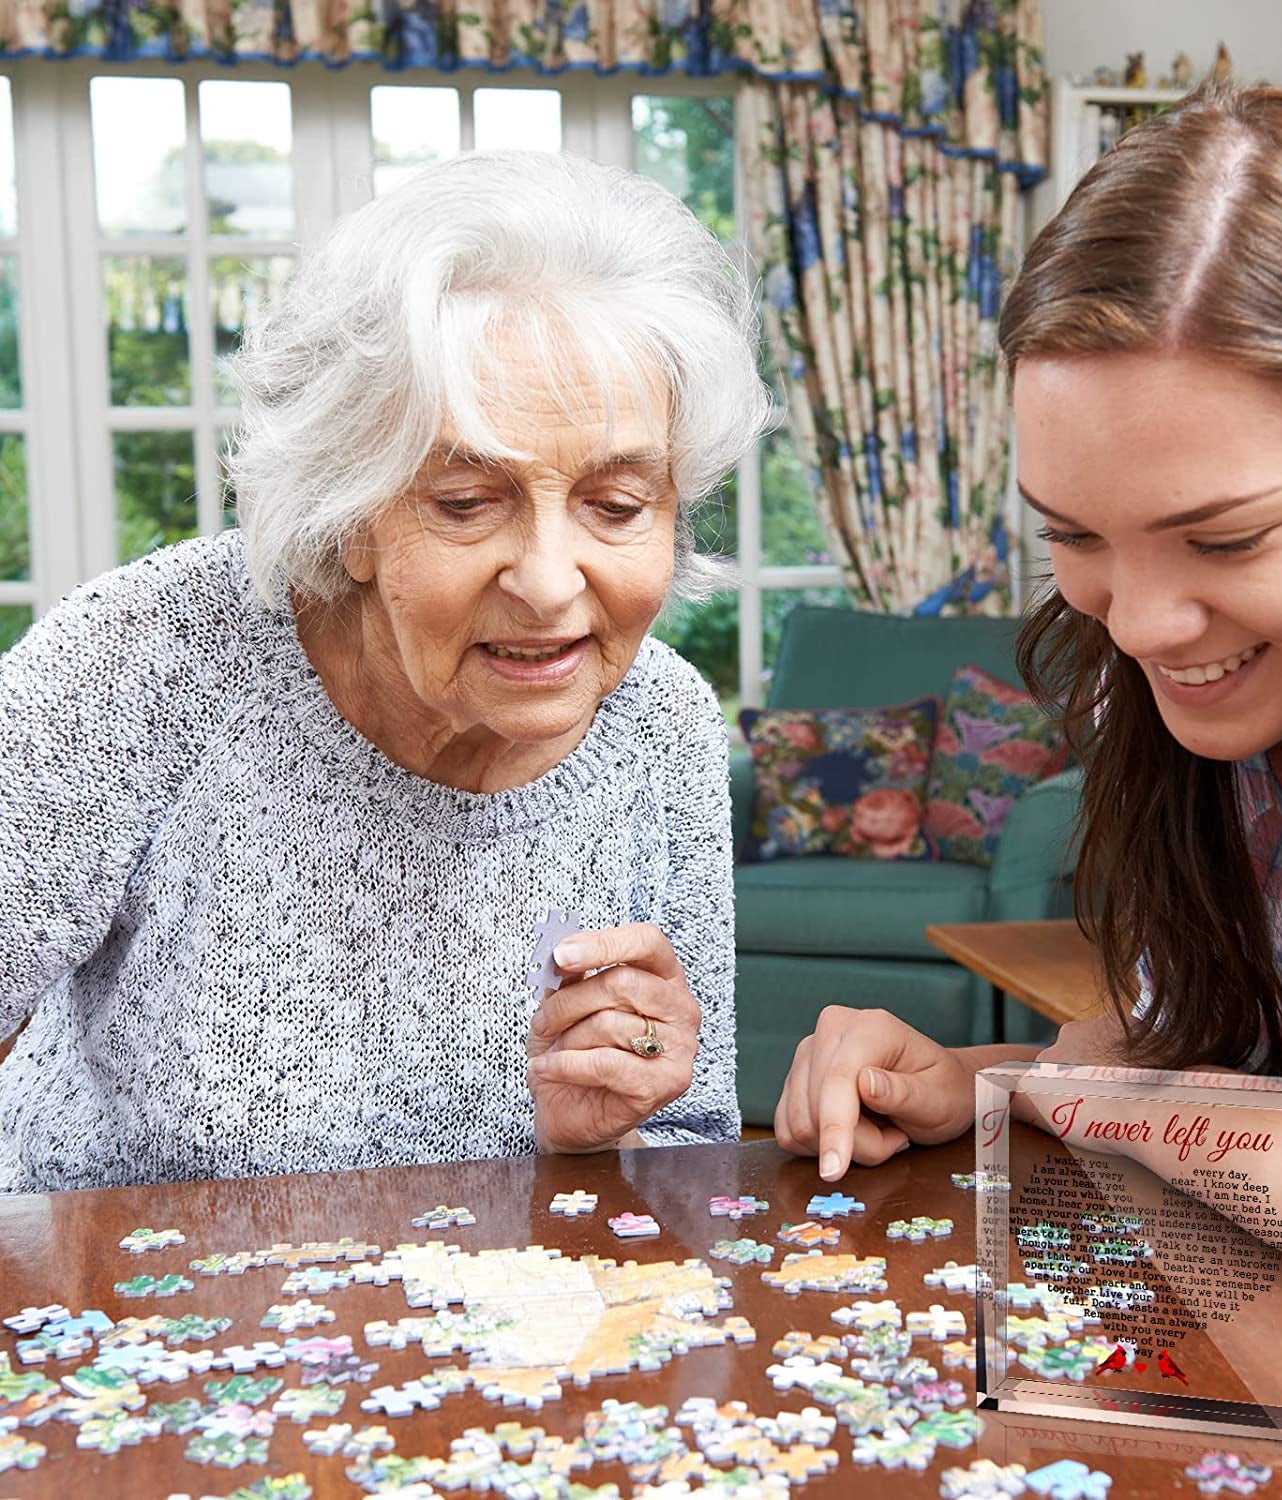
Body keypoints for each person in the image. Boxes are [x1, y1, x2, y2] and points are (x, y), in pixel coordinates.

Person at [775, 84, 1282, 1337]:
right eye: (1075, 534)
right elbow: (1196, 1081)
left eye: (1224, 536)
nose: (1142, 625)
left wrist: (1087, 1096)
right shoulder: (1190, 692)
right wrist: (973, 1083)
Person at [0, 149, 772, 1191]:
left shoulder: (664, 723)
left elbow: (685, 1155)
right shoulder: (140, 664)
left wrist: (599, 1137)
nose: (549, 584)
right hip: (114, 1324)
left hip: (492, 1342)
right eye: (466, 503)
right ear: (349, 514)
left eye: (617, 506)